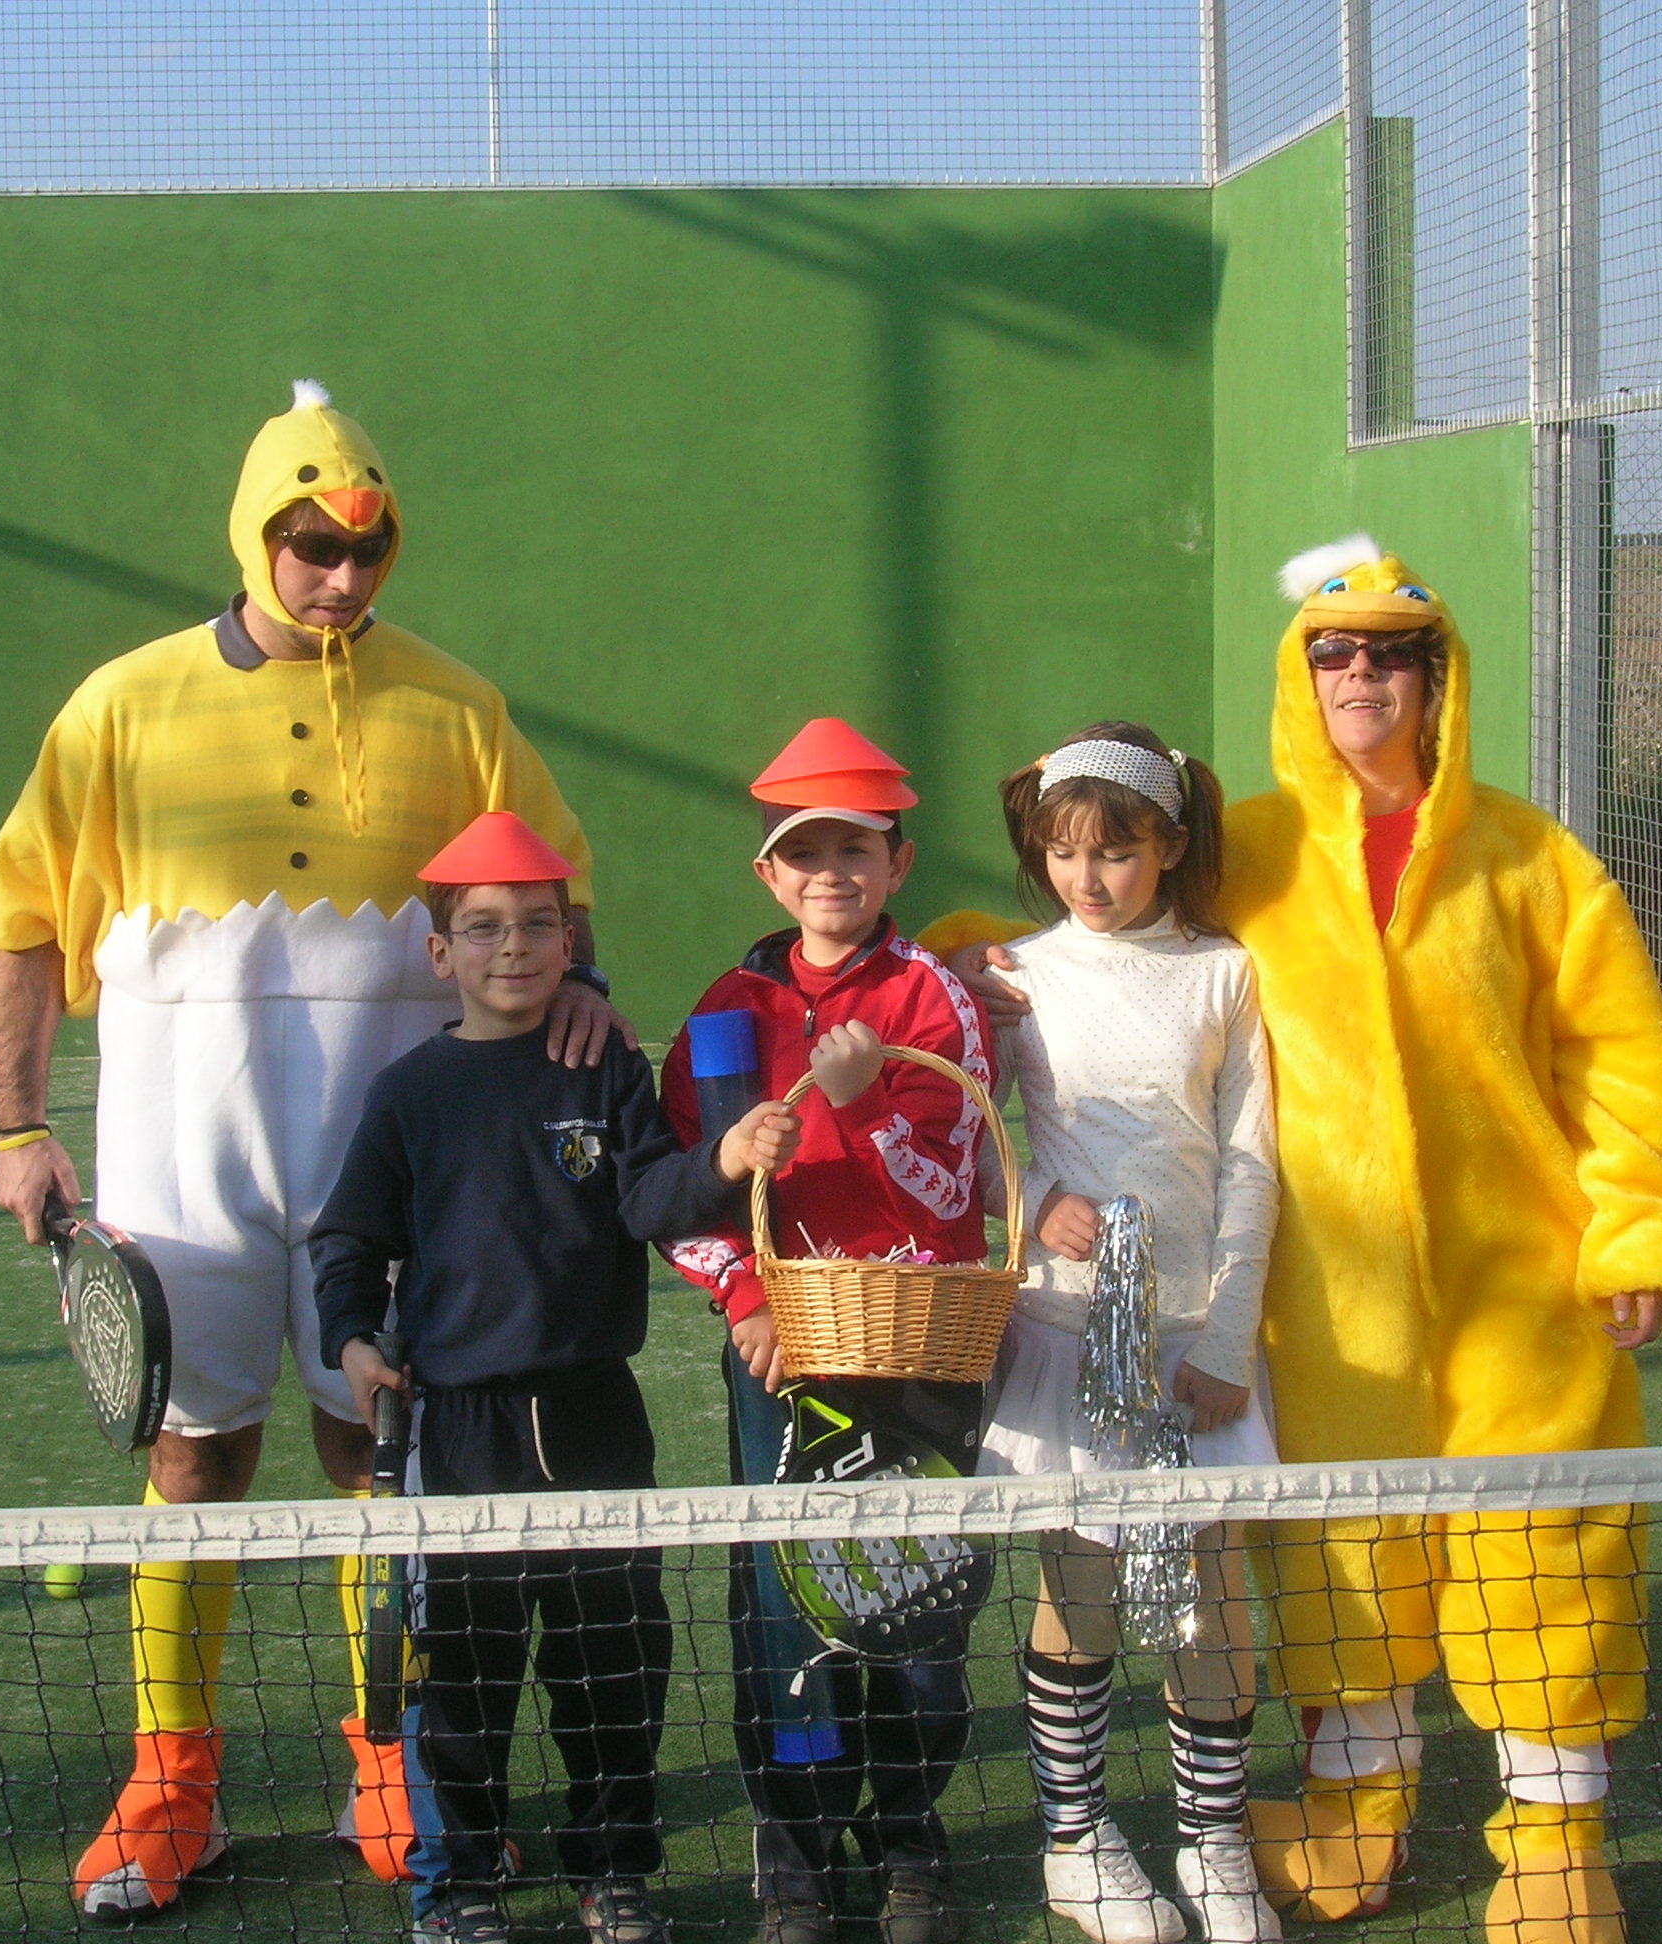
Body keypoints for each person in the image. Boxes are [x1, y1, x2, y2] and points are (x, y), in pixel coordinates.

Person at [947, 542, 1662, 1944]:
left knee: (1543, 1553)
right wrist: (952, 969)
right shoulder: (1252, 849)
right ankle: (1352, 1811)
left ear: (1439, 674)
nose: (1362, 674)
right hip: (1326, 1303)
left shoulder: (1535, 859)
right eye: (1333, 652)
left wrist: (1641, 1231)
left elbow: (1619, 1059)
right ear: (1300, 676)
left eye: (1391, 652)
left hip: (1521, 1289)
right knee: (1345, 1565)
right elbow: (1089, 948)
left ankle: (1556, 1846)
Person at [0, 382, 631, 1921]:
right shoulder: (118, 706)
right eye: (311, 547)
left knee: (372, 1447)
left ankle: (388, 1765)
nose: (341, 577)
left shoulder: (458, 708)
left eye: (366, 550)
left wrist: (583, 996)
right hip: (174, 1151)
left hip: (383, 1159)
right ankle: (171, 1785)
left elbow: (557, 889)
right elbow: (23, 922)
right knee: (193, 1457)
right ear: (254, 536)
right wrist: (19, 1126)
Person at [310, 810, 802, 1944]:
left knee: (611, 1668)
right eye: (484, 928)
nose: (514, 948)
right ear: (442, 953)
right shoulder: (408, 1093)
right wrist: (353, 1340)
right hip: (459, 1430)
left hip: (593, 1418)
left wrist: (722, 1161)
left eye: (538, 925)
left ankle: (614, 1873)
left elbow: (649, 1200)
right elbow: (348, 1241)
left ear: (571, 943)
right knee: (466, 1681)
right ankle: (459, 1887)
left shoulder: (606, 1069)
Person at [655, 718, 996, 1944]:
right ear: (769, 874)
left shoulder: (933, 996)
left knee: (919, 1605)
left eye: (856, 847)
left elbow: (956, 1196)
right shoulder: (725, 1014)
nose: (830, 872)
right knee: (784, 1607)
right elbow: (688, 1199)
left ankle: (908, 1838)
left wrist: (866, 1110)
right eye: (804, 852)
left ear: (898, 861)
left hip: (917, 1351)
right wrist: (746, 1299)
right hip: (780, 1360)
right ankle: (794, 1854)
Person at [971, 723, 1282, 1944]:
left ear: (1172, 845)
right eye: (1063, 852)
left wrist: (1229, 1339)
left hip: (1197, 1345)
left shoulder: (1225, 975)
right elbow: (967, 1130)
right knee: (1085, 1586)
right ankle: (1076, 1843)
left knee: (1206, 1596)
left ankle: (1216, 1843)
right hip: (1068, 1331)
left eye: (1115, 852)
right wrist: (1035, 1202)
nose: (1087, 878)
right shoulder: (1014, 975)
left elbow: (1252, 1162)